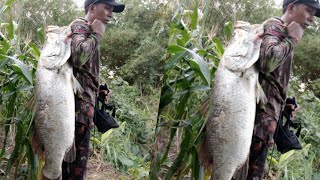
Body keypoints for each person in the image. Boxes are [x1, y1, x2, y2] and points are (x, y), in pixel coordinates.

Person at [247, 0, 320, 179]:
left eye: (314, 14)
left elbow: (270, 78)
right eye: (308, 11)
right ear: (291, 7)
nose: (311, 19)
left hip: (266, 118)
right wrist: (292, 39)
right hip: (259, 121)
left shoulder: (283, 33)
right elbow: (267, 62)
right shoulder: (275, 27)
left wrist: (284, 102)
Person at [62, 0, 124, 179]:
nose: (110, 14)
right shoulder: (81, 27)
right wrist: (97, 35)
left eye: (112, 10)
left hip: (82, 110)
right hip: (76, 112)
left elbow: (84, 71)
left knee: (75, 167)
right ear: (91, 8)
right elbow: (78, 57)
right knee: (72, 168)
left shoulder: (88, 33)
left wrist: (99, 90)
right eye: (107, 8)